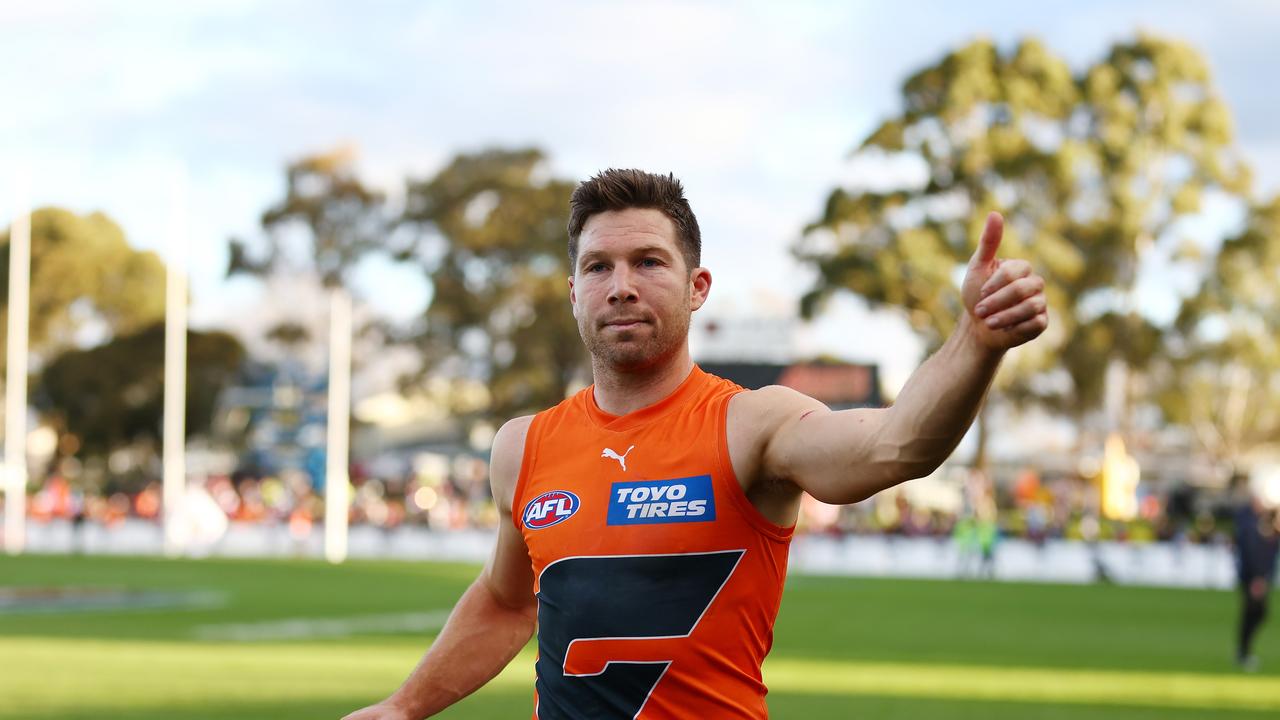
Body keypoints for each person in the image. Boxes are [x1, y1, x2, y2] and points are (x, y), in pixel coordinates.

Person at [343, 169, 1049, 719]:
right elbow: (505, 603)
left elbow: (897, 446)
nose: (620, 287)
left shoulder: (751, 425)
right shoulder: (521, 447)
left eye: (648, 262)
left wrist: (976, 340)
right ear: (573, 292)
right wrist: (405, 705)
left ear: (697, 286)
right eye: (598, 268)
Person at [1234, 486, 1279, 671]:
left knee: (1256, 614)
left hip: (1255, 576)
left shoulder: (1258, 523)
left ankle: (1243, 651)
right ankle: (1243, 652)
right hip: (1254, 578)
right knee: (1254, 613)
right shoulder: (1253, 526)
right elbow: (1254, 554)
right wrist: (1258, 577)